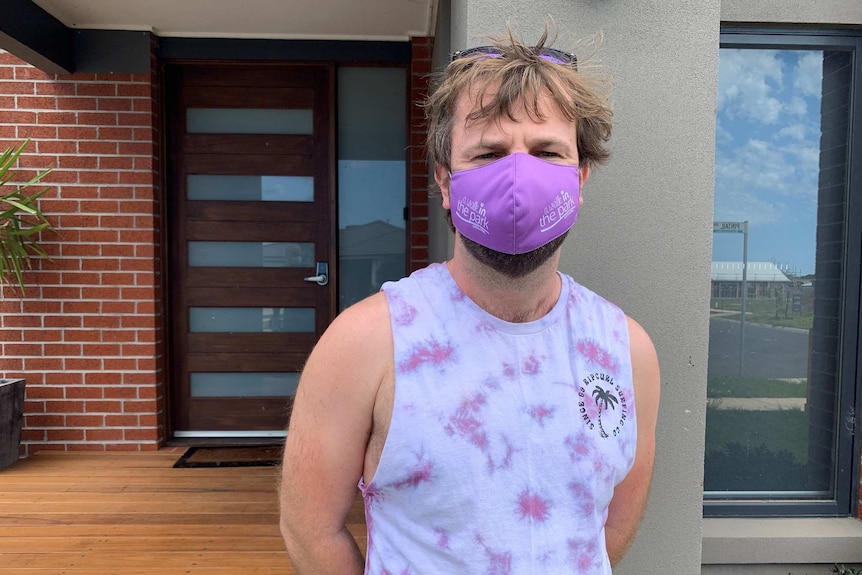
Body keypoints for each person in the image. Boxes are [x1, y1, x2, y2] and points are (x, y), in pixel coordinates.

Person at [279, 27, 661, 575]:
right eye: (489, 154)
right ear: (445, 181)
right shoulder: (367, 342)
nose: (517, 177)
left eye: (546, 151)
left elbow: (611, 528)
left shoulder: (628, 351)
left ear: (579, 178)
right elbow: (311, 529)